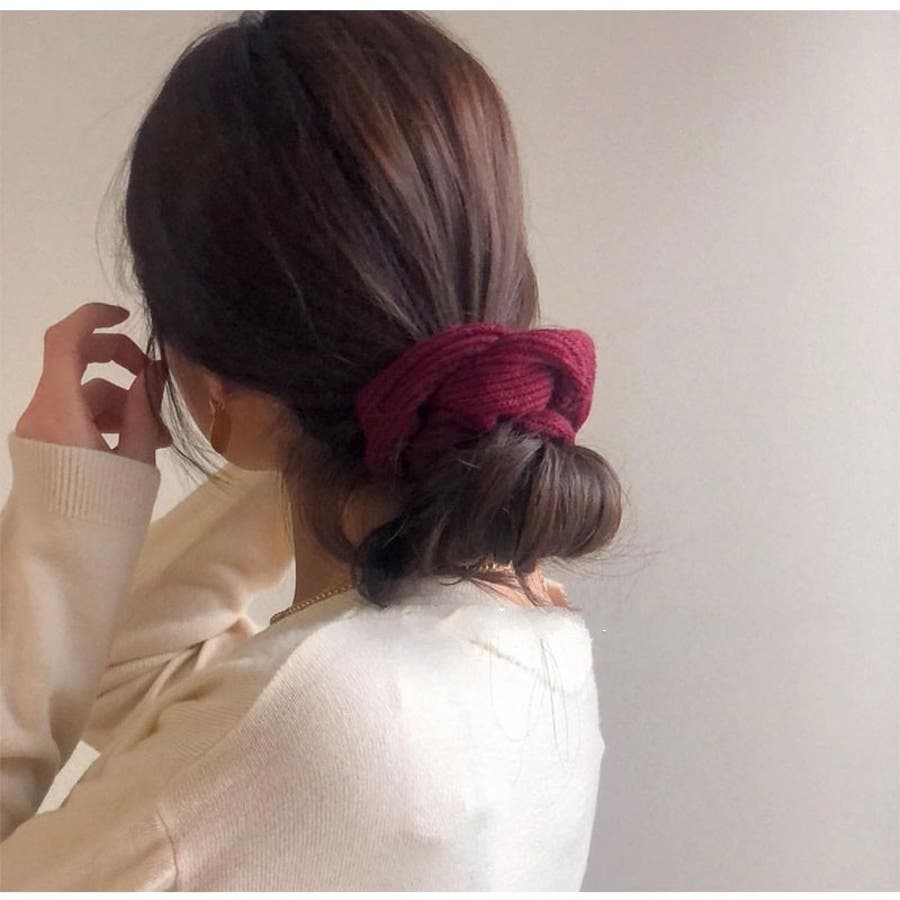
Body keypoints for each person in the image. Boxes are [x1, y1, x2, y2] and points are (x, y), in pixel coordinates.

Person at [0, 11, 623, 890]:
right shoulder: (541, 638)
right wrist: (367, 421)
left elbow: (199, 717)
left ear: (220, 384)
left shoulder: (312, 718)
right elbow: (137, 674)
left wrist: (60, 530)